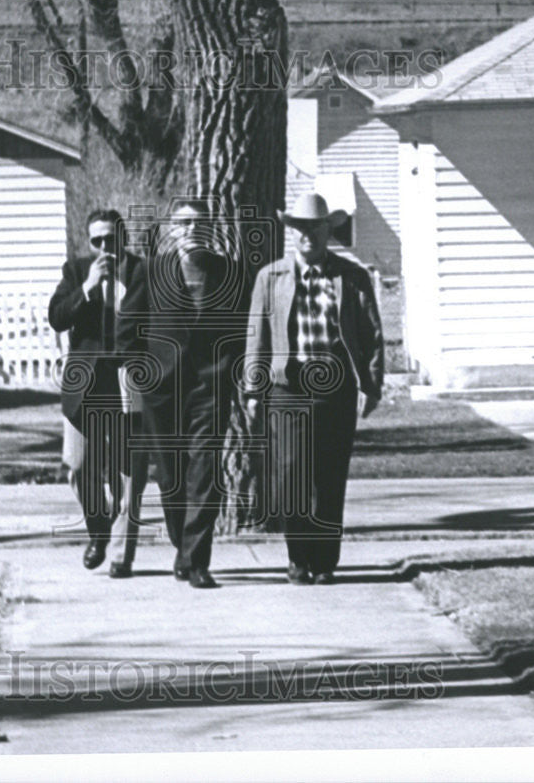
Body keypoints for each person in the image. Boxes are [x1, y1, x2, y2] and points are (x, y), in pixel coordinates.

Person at [244, 193, 383, 585]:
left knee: (329, 477)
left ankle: (324, 562)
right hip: (288, 386)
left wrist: (371, 386)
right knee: (291, 475)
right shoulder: (270, 278)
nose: (309, 235)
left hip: (336, 388)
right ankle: (298, 557)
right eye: (301, 228)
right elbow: (256, 337)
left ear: (327, 230)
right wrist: (254, 390)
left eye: (316, 227)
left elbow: (372, 335)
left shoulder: (351, 276)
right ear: (293, 232)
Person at [119, 199, 240, 589]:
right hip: (161, 391)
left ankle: (197, 561)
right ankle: (182, 549)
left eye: (199, 223)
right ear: (172, 229)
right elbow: (127, 327)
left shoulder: (230, 273)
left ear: (210, 229)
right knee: (170, 477)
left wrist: (236, 375)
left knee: (204, 472)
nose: (191, 230)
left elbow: (242, 330)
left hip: (211, 387)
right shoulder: (151, 271)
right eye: (184, 223)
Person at [48, 209, 148, 578]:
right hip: (86, 382)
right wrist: (87, 287)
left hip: (126, 379)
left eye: (111, 239)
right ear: (88, 243)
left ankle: (121, 556)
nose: (105, 247)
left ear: (123, 238)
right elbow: (57, 316)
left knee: (126, 473)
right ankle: (99, 530)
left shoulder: (142, 272)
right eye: (97, 241)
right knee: (78, 465)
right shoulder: (76, 271)